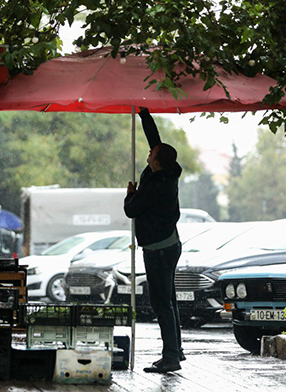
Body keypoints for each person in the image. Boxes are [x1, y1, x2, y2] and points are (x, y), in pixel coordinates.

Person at [123, 107, 184, 373]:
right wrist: (144, 114)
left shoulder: (155, 185)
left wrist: (129, 194)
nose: (149, 153)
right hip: (170, 244)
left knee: (161, 303)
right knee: (169, 300)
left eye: (152, 154)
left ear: (157, 162)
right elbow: (155, 140)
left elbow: (131, 210)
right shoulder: (168, 172)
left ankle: (170, 357)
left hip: (158, 249)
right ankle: (176, 351)